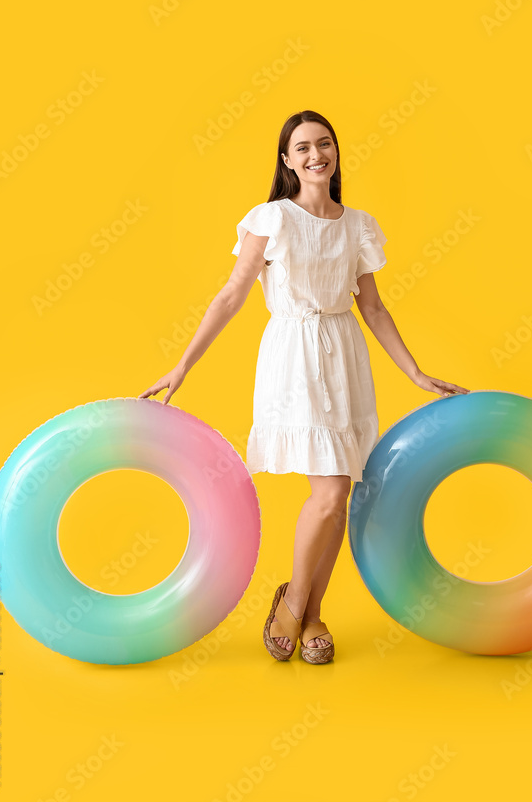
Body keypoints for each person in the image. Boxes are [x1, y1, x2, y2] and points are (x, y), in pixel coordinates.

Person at [139, 109, 469, 664]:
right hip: (294, 356)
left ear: (336, 152)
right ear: (288, 161)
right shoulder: (271, 218)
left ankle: (312, 612)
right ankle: (293, 602)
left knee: (341, 495)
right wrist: (182, 366)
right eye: (304, 148)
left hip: (345, 356)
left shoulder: (358, 224)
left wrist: (414, 372)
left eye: (325, 144)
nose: (317, 155)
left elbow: (372, 307)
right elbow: (232, 294)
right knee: (331, 491)